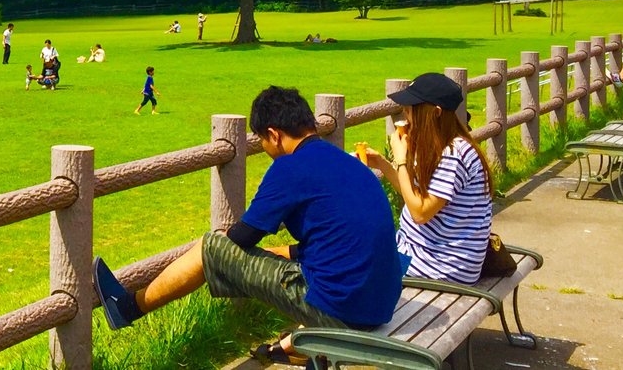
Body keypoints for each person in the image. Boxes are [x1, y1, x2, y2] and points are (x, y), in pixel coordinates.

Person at [95, 86, 403, 364]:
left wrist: (227, 255)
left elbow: (242, 236)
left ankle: (125, 308)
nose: (264, 148)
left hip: (343, 314)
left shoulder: (290, 166)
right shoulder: (345, 161)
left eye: (261, 140)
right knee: (258, 252)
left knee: (212, 247)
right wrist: (277, 252)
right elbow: (338, 239)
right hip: (376, 307)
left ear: (274, 134)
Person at [358, 73, 493, 284]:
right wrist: (384, 164)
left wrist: (401, 160)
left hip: (439, 266)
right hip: (429, 254)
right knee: (356, 244)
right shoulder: (446, 148)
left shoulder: (454, 155)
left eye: (411, 108)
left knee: (349, 257)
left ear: (435, 112)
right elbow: (415, 199)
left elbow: (420, 213)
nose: (405, 113)